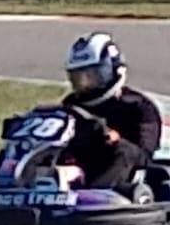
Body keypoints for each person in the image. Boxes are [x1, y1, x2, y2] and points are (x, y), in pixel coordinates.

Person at [59, 33, 164, 190]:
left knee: (124, 151)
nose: (84, 85)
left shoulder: (139, 108)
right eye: (78, 78)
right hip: (76, 168)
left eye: (91, 77)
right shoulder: (71, 104)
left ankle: (96, 194)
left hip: (118, 176)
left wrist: (112, 138)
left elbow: (143, 156)